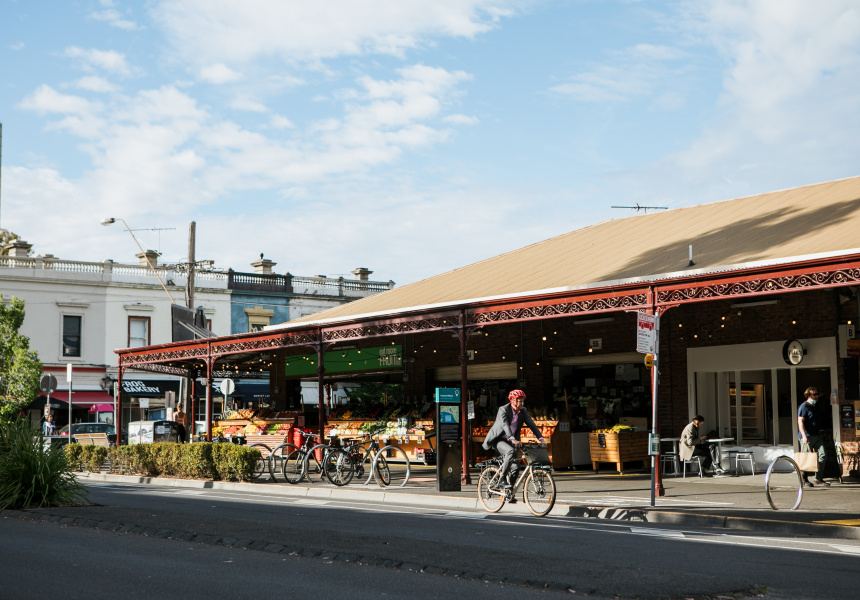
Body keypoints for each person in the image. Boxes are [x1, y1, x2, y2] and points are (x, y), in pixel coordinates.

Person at [482, 389, 546, 493]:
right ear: (512, 401)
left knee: (516, 467)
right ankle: (502, 479)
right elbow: (505, 425)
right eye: (519, 401)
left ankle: (509, 492)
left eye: (523, 401)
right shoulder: (503, 410)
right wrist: (512, 439)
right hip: (498, 440)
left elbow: (532, 425)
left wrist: (541, 439)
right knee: (510, 451)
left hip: (511, 441)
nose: (522, 403)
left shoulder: (523, 411)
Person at [797, 386, 831, 487]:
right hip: (807, 436)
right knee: (805, 458)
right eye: (814, 394)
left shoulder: (815, 406)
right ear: (808, 395)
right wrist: (804, 436)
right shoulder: (804, 406)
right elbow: (800, 421)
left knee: (823, 454)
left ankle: (818, 478)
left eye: (817, 394)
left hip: (817, 435)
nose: (816, 396)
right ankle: (804, 479)